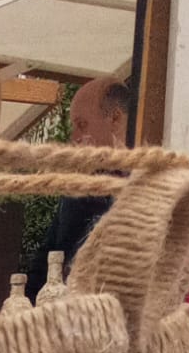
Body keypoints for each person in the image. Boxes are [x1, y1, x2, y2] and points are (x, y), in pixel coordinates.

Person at [25, 77, 130, 300]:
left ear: (115, 119)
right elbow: (49, 259)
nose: (74, 138)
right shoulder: (79, 190)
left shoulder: (148, 184)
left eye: (82, 125)